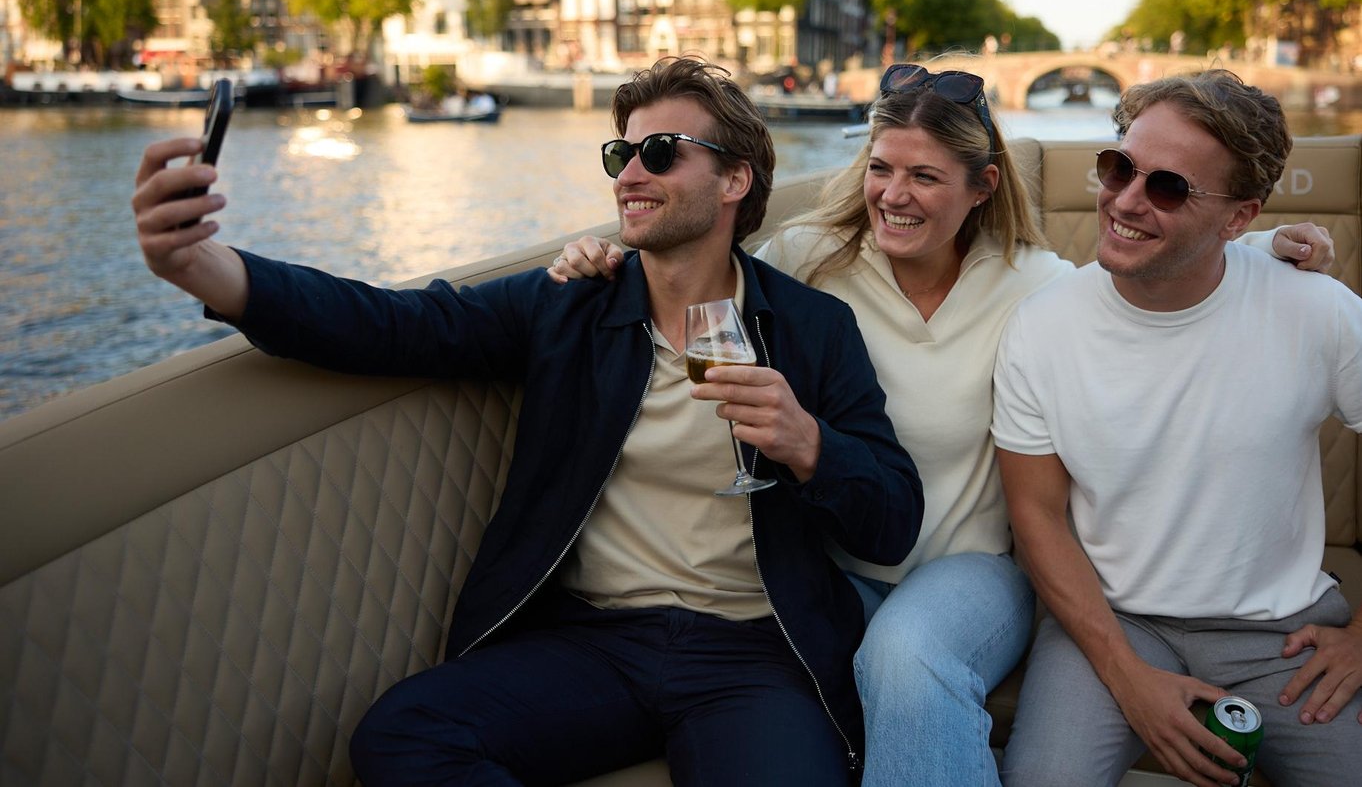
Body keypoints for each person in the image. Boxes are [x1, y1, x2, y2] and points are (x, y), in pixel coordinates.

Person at [131, 55, 923, 786]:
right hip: (594, 644)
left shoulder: (812, 329)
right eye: (620, 154)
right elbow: (396, 325)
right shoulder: (568, 305)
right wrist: (211, 270)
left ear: (734, 180)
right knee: (403, 737)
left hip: (752, 654)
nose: (630, 175)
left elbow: (891, 521)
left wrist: (810, 446)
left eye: (660, 153)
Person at [548, 63, 1334, 786]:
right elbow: (697, 267)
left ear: (983, 186)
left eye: (925, 176)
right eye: (880, 169)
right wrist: (604, 260)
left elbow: (1144, 272)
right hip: (826, 565)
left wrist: (1259, 248)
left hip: (969, 570)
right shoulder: (807, 259)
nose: (894, 195)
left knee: (907, 650)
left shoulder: (1035, 285)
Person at [993, 69, 1362, 787]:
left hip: (1283, 633)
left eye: (1168, 187)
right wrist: (1126, 675)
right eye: (1118, 167)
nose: (1126, 201)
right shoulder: (1041, 328)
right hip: (1112, 622)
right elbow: (1036, 516)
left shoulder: (1317, 311)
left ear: (1238, 218)